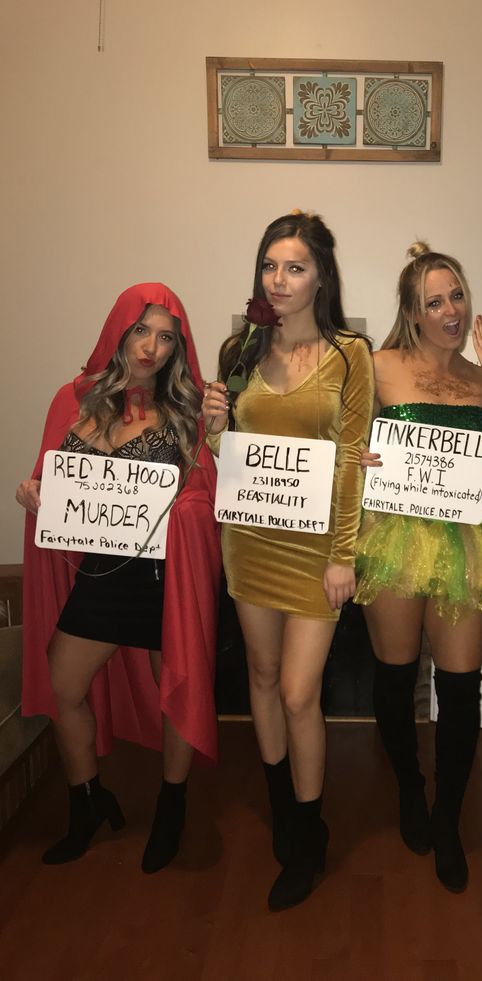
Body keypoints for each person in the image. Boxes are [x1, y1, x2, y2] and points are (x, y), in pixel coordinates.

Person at [17, 283, 221, 873]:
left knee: (174, 693)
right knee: (63, 685)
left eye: (165, 336)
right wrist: (33, 494)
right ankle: (87, 799)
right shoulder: (72, 400)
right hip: (101, 575)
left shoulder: (186, 410)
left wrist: (188, 502)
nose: (151, 348)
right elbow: (49, 481)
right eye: (141, 331)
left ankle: (171, 809)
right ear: (118, 331)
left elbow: (208, 496)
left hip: (164, 582)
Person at [203, 211, 374, 911]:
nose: (279, 279)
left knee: (302, 692)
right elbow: (233, 459)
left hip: (316, 553)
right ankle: (284, 802)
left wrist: (343, 557)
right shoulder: (238, 349)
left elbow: (352, 467)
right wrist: (214, 427)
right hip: (250, 542)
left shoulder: (349, 354)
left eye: (294, 267)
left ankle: (308, 827)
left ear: (321, 276)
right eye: (270, 266)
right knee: (263, 676)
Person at [354, 243, 482, 892]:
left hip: (461, 538)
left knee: (460, 688)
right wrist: (355, 456)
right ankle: (408, 788)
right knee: (395, 678)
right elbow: (342, 431)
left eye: (457, 295)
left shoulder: (480, 380)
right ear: (412, 311)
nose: (452, 310)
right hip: (392, 534)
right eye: (435, 301)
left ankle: (447, 817)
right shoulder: (380, 364)